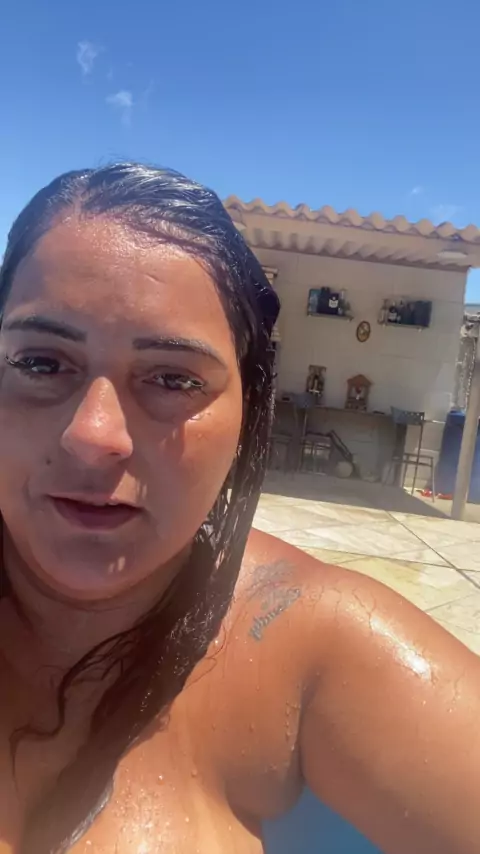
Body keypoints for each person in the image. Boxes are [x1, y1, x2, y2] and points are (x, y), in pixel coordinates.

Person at [0, 163, 478, 854]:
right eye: (41, 364)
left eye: (173, 378)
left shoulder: (306, 642)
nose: (94, 436)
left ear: (250, 411)